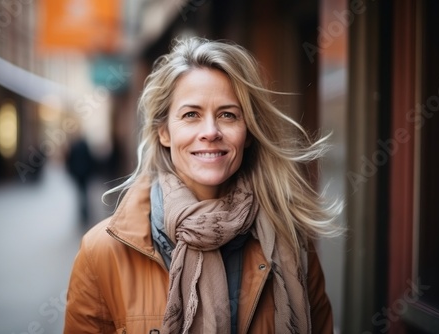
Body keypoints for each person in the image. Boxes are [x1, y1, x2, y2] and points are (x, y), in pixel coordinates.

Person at [64, 36, 342, 334]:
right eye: (191, 115)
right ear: (164, 133)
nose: (210, 131)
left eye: (227, 115)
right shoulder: (102, 253)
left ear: (247, 133)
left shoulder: (291, 238)